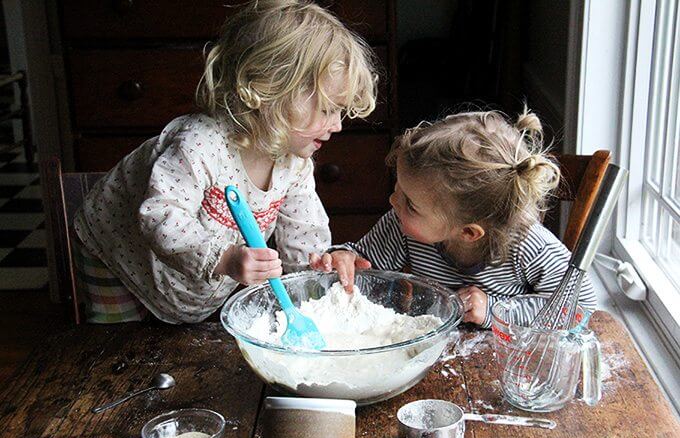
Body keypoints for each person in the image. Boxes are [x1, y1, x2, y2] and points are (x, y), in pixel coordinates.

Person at [73, 0, 377, 324]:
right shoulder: (200, 144)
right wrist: (225, 258)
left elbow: (304, 236)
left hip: (184, 278)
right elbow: (160, 214)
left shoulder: (295, 163)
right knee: (117, 354)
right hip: (117, 254)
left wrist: (321, 264)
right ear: (269, 91)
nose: (338, 125)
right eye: (329, 109)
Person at [310, 108, 597, 328]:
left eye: (411, 204)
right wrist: (344, 259)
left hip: (503, 363)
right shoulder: (402, 226)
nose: (393, 201)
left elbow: (580, 306)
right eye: (398, 188)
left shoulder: (529, 246)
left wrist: (494, 309)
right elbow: (366, 267)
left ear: (469, 232)